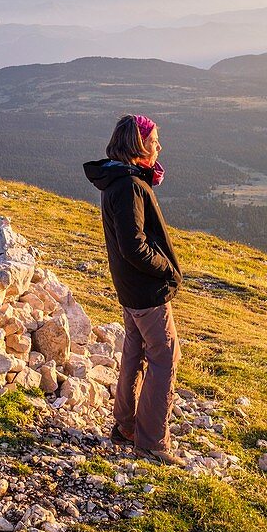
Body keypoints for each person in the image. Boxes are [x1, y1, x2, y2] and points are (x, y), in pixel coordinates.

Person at [83, 114, 184, 466]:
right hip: (145, 291)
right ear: (139, 146)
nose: (159, 146)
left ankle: (126, 427)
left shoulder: (119, 179)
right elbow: (134, 245)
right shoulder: (128, 186)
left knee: (135, 351)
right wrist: (168, 270)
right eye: (155, 141)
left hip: (130, 289)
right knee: (165, 355)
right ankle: (152, 442)